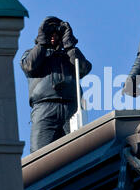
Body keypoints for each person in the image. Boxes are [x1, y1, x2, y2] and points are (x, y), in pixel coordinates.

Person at [21, 16, 92, 153]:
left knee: (77, 153)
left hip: (71, 108)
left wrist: (70, 45)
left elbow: (83, 68)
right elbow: (29, 66)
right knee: (39, 156)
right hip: (44, 108)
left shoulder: (70, 55)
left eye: (56, 34)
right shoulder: (32, 54)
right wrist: (42, 43)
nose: (53, 37)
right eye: (50, 34)